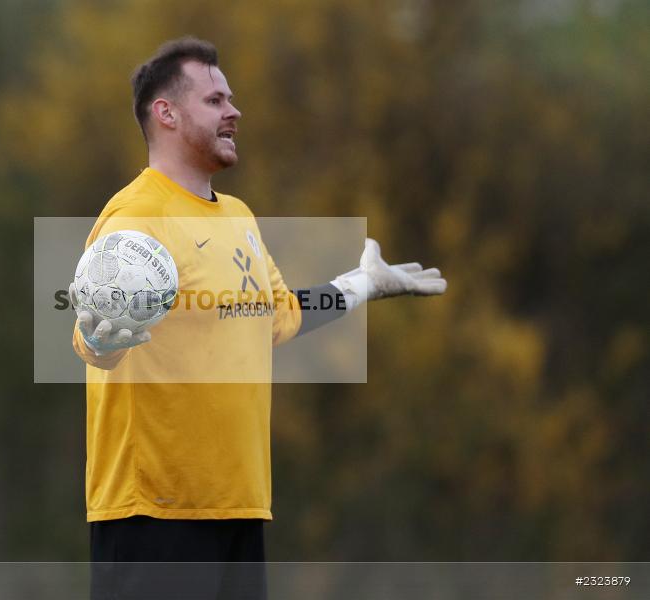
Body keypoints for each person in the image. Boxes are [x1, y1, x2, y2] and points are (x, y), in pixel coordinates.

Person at [71, 37, 446, 599]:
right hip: (154, 514)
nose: (234, 111)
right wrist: (100, 340)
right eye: (215, 100)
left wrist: (361, 284)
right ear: (166, 113)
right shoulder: (136, 217)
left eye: (230, 99)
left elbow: (278, 316)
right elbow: (93, 337)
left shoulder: (238, 217)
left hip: (239, 508)